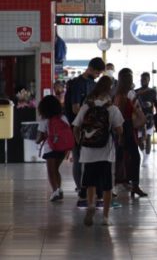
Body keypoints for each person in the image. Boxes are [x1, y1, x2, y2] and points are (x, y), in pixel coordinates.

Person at [72, 76, 124, 227]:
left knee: (90, 183)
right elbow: (119, 129)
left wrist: (80, 143)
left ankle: (90, 206)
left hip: (88, 153)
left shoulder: (86, 106)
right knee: (107, 186)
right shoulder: (112, 108)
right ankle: (106, 217)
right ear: (110, 90)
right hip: (106, 153)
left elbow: (76, 127)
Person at [64, 57, 105, 207]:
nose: (98, 75)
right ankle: (81, 189)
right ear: (91, 69)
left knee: (89, 159)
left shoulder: (93, 84)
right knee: (79, 158)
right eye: (98, 72)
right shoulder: (76, 84)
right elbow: (75, 108)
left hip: (90, 128)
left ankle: (89, 190)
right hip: (77, 127)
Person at [113, 68, 147, 198]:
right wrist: (121, 135)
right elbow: (120, 115)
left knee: (127, 158)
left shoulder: (123, 95)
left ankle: (133, 185)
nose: (132, 81)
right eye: (130, 79)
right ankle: (129, 185)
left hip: (126, 128)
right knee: (122, 158)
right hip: (124, 128)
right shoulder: (122, 97)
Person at [36, 95, 73, 202]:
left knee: (51, 170)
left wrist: (37, 140)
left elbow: (39, 137)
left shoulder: (45, 120)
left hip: (50, 148)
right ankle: (59, 189)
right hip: (63, 148)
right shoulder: (63, 118)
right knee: (56, 169)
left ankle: (55, 191)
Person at [135, 72, 157, 156]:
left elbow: (156, 103)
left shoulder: (152, 91)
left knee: (148, 136)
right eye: (142, 79)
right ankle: (143, 152)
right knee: (138, 138)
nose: (143, 81)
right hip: (138, 116)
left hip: (149, 117)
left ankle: (147, 156)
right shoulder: (136, 91)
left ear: (149, 80)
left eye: (145, 79)